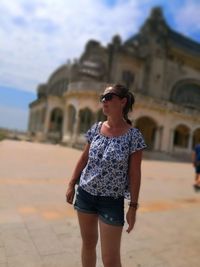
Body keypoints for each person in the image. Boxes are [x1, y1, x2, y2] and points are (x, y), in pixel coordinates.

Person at [66, 83, 147, 267]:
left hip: (111, 201)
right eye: (102, 97)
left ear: (123, 101)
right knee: (88, 245)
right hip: (86, 195)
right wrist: (71, 183)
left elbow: (135, 174)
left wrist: (133, 207)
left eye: (109, 97)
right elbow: (84, 158)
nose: (104, 100)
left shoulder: (134, 136)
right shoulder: (96, 128)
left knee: (110, 259)